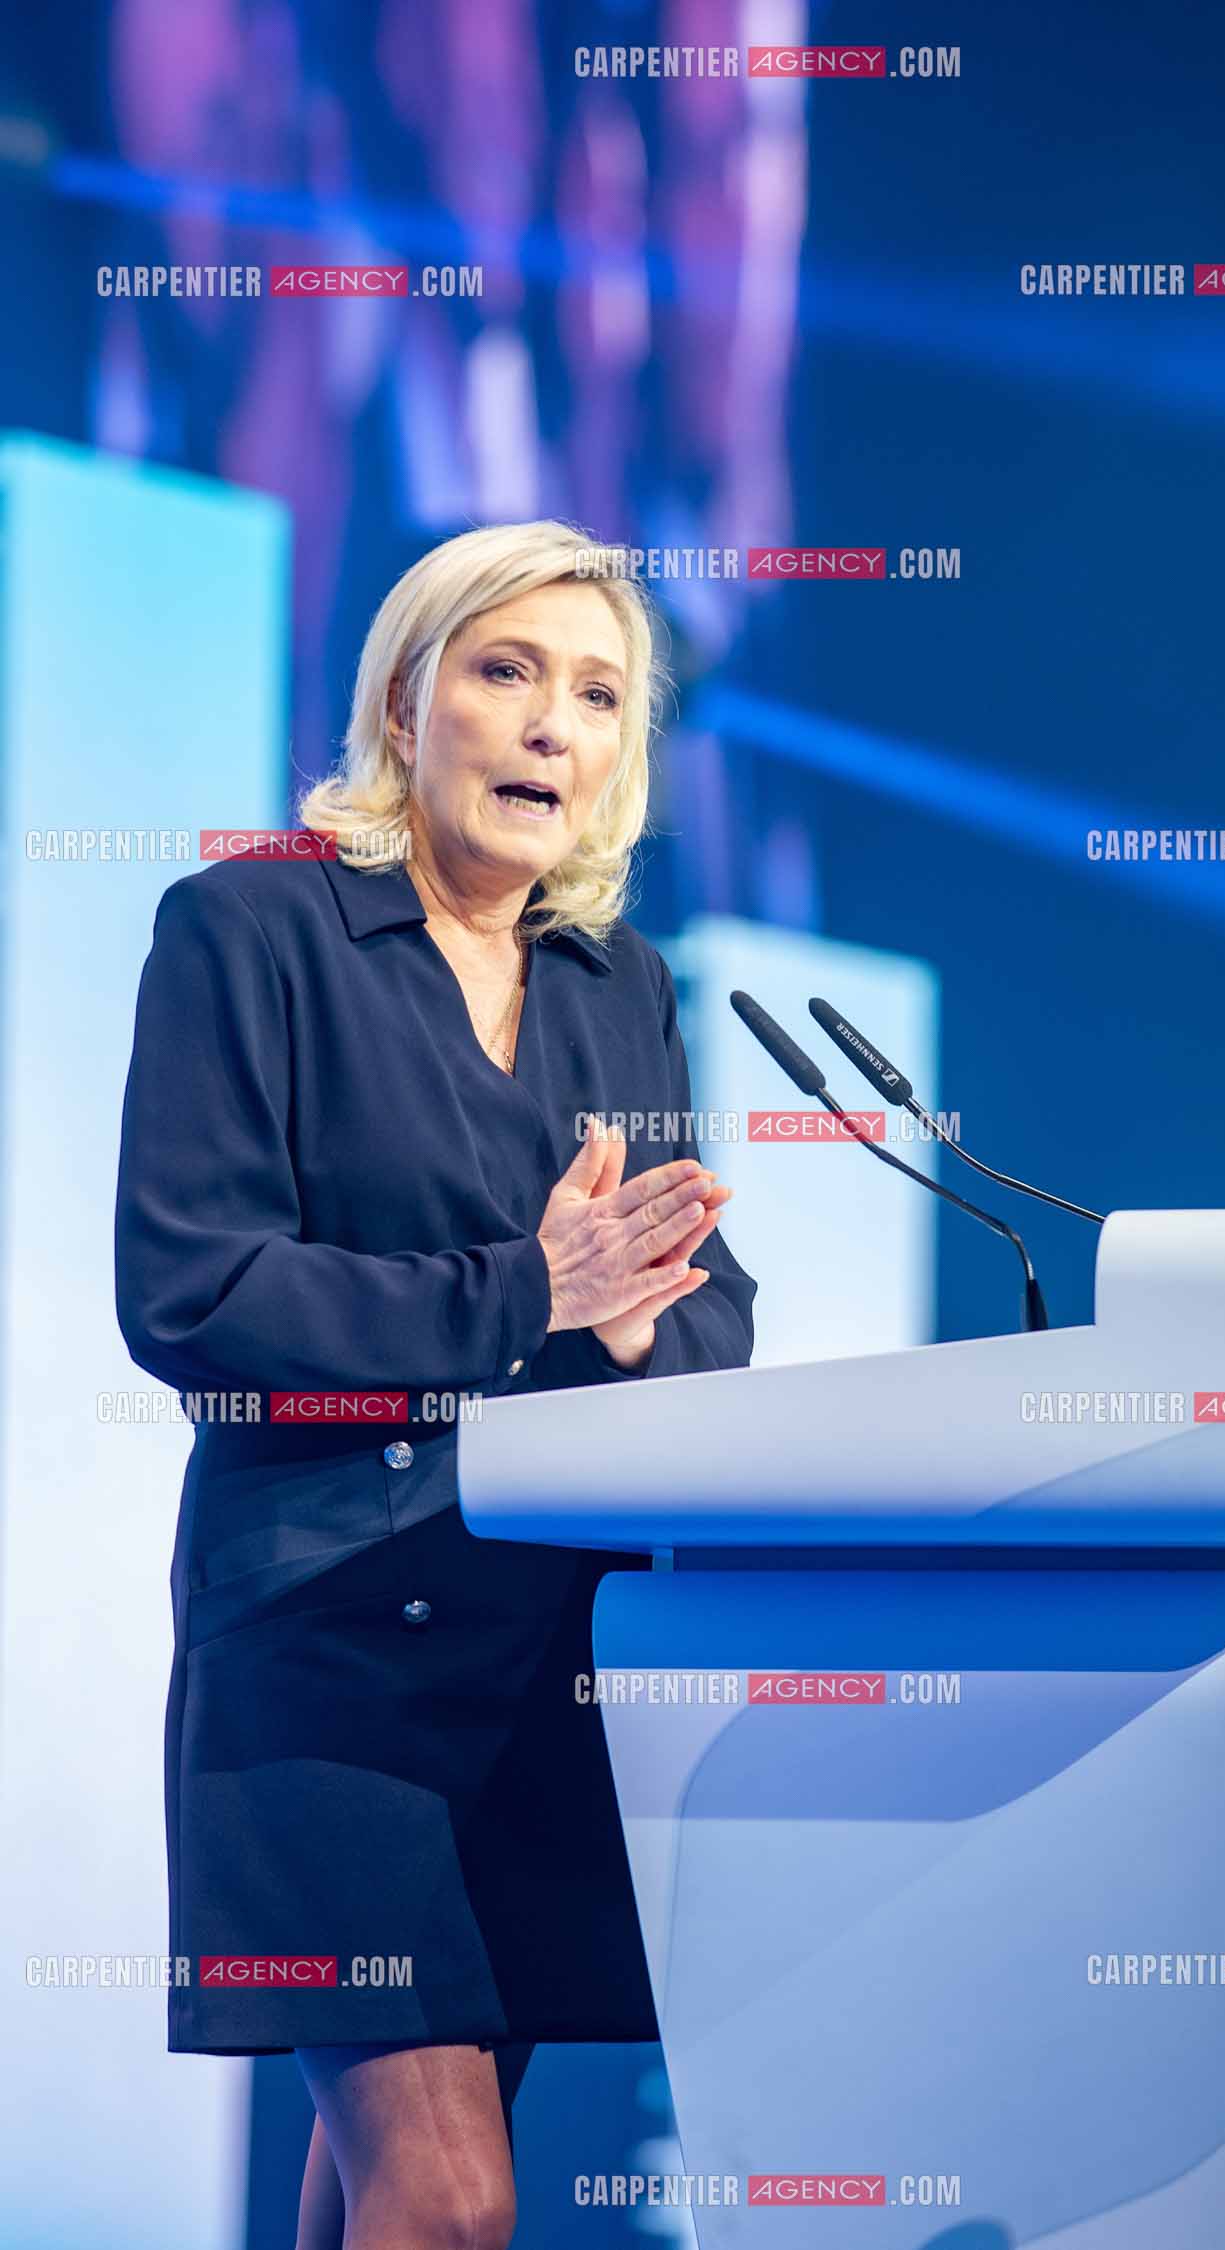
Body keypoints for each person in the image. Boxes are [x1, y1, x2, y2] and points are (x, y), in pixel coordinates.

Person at [114, 519, 757, 2250]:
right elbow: (195, 1290)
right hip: (324, 1649)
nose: (557, 724)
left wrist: (626, 1320)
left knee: (386, 2194)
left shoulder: (620, 990)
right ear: (407, 705)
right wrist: (527, 1290)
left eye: (601, 694)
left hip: (547, 1664)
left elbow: (705, 1311)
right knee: (456, 2197)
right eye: (508, 671)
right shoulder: (253, 927)